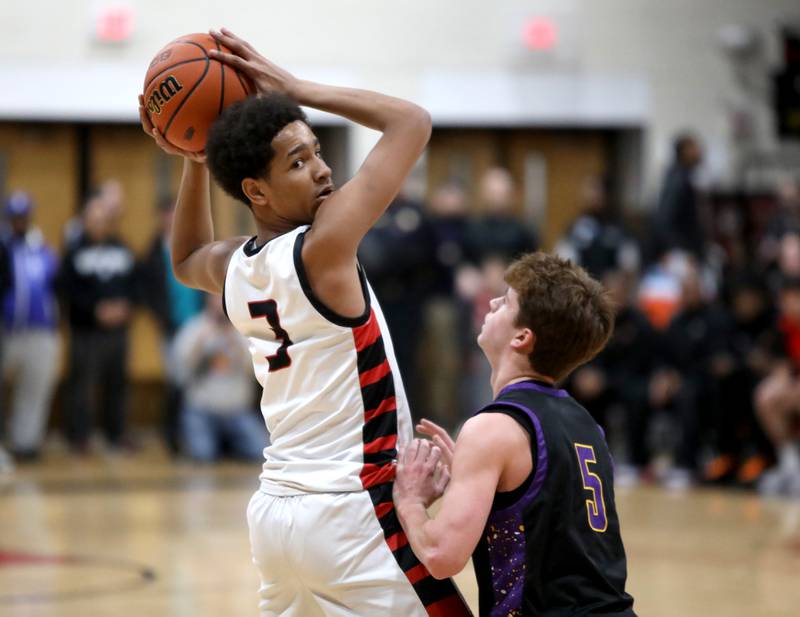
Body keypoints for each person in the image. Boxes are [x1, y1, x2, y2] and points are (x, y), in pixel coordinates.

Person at [138, 28, 470, 617]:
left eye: (317, 151)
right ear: (255, 191)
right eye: (298, 162)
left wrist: (196, 161)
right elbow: (412, 122)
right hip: (354, 510)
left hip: (276, 515)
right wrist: (297, 87)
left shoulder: (236, 267)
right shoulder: (324, 248)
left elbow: (186, 258)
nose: (321, 170)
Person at [393, 252, 636, 616]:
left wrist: (410, 501)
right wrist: (478, 479)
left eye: (505, 301)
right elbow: (551, 524)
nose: (491, 302)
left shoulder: (492, 429)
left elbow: (441, 555)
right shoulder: (589, 427)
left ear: (522, 337)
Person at [59, 192, 136, 453]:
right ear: (85, 221)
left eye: (103, 219)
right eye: (94, 219)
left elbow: (133, 284)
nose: (99, 224)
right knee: (82, 385)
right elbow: (67, 289)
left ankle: (116, 434)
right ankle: (79, 436)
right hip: (86, 332)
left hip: (118, 331)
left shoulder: (121, 248)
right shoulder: (74, 252)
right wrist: (95, 310)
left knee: (118, 383)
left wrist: (125, 307)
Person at [0, 192, 60, 461]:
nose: (19, 221)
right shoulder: (3, 249)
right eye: (14, 217)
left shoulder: (43, 250)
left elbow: (57, 286)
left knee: (34, 389)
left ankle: (26, 444)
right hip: (8, 332)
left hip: (40, 332)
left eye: (23, 216)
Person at [172, 294, 265, 462]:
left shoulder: (243, 330)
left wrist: (237, 345)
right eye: (214, 298)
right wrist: (200, 345)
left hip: (237, 411)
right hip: (202, 410)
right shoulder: (194, 328)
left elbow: (257, 372)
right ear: (208, 301)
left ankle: (229, 446)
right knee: (203, 455)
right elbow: (179, 373)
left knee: (260, 450)